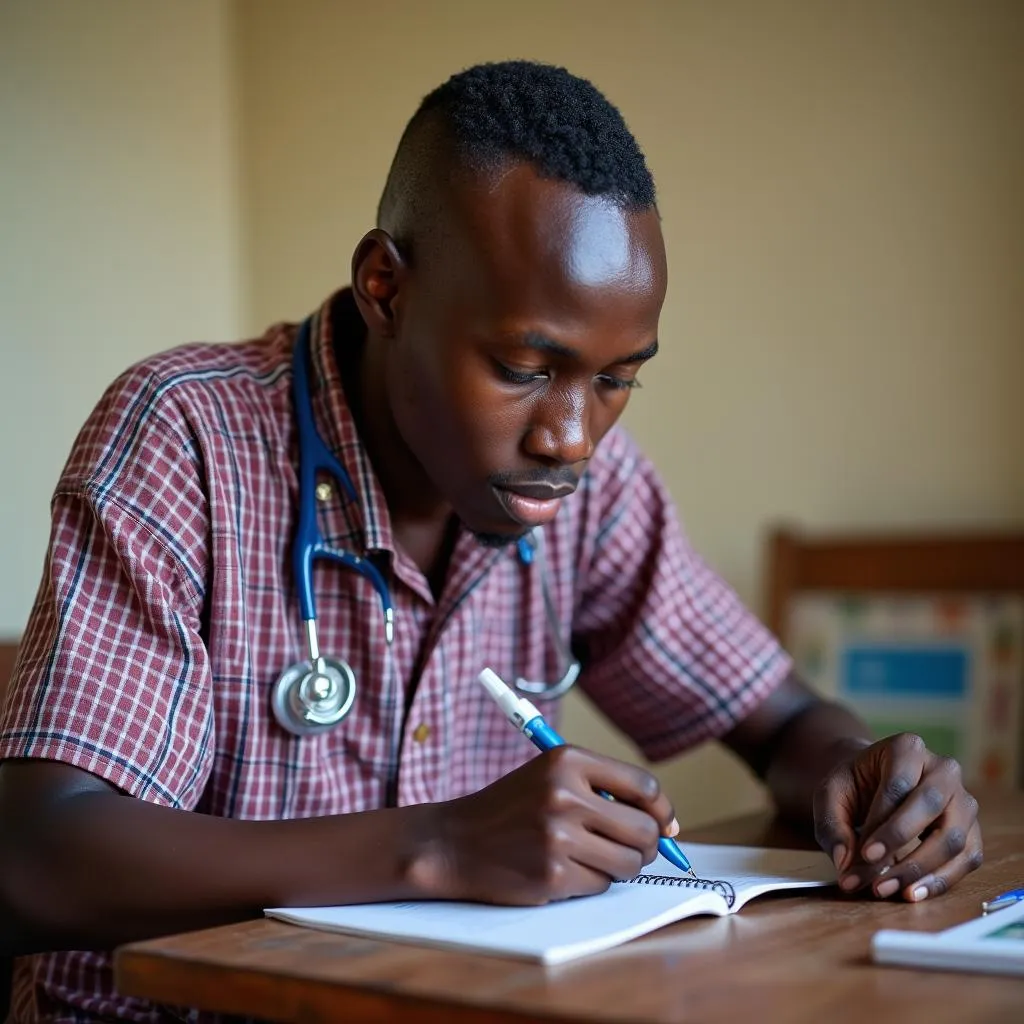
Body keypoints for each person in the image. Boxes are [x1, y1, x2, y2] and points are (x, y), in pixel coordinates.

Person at [0, 60, 981, 1023]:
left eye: (615, 378)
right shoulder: (187, 438)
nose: (571, 434)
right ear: (385, 287)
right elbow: (36, 857)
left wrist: (865, 778)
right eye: (523, 365)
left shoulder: (586, 487)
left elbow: (779, 724)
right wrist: (440, 846)